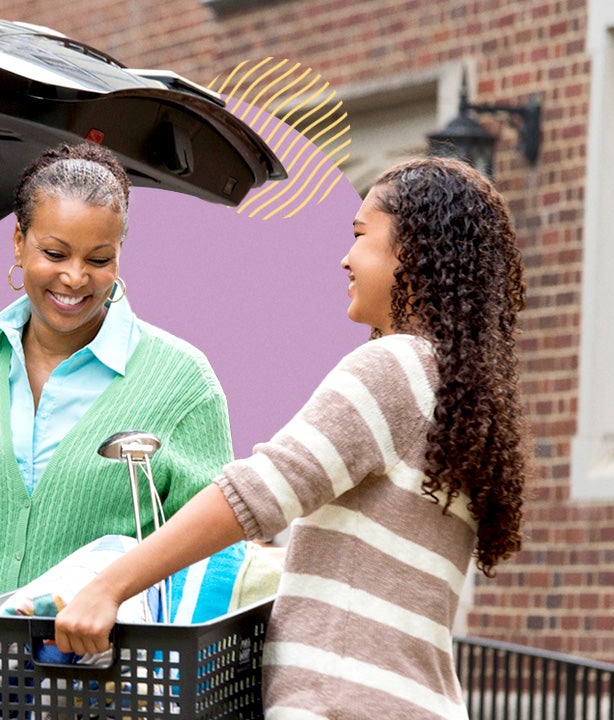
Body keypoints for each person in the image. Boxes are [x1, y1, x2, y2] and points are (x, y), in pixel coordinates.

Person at [54, 156, 530, 719]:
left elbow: (254, 494)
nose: (345, 258)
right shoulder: (457, 392)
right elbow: (375, 567)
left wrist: (109, 587)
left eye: (360, 236)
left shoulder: (392, 368)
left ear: (414, 254)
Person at [0, 142, 235, 719]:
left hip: (115, 702)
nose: (75, 278)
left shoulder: (181, 381)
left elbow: (218, 557)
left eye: (99, 259)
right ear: (18, 242)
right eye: (54, 252)